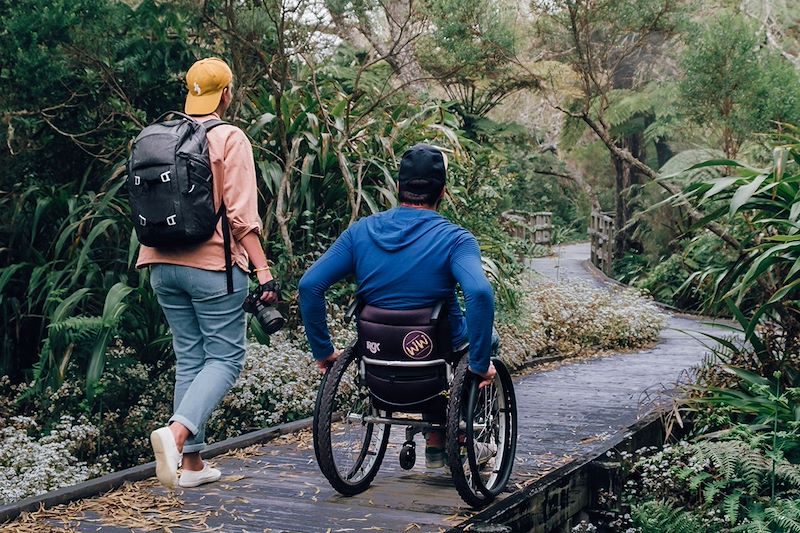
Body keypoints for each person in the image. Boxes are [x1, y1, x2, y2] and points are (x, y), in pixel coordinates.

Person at [298, 143, 497, 468]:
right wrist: (479, 364)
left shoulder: (359, 232)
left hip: (376, 353)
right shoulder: (456, 239)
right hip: (436, 353)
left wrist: (324, 351)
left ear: (397, 187)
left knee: (438, 346)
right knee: (482, 344)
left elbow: (309, 285)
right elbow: (480, 294)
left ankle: (435, 440)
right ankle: (453, 439)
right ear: (442, 192)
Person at [137, 57, 278, 489]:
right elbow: (241, 217)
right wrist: (264, 271)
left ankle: (192, 465)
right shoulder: (228, 137)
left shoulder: (155, 134)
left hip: (159, 262)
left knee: (191, 360)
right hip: (212, 267)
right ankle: (176, 436)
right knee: (226, 358)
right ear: (227, 94)